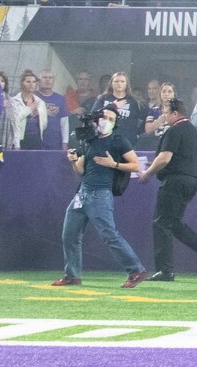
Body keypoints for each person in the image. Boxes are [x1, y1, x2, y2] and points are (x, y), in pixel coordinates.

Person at [55, 102, 148, 288]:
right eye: (104, 117)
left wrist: (113, 164)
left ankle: (136, 270)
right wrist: (73, 160)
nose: (106, 121)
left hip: (100, 193)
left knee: (109, 234)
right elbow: (80, 170)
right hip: (82, 192)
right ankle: (72, 275)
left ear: (115, 123)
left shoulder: (118, 140)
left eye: (111, 119)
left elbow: (137, 166)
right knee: (69, 235)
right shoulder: (89, 140)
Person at [141, 95, 197, 281]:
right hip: (190, 181)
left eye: (166, 113)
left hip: (174, 181)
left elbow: (165, 158)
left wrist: (148, 172)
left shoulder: (174, 130)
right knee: (174, 224)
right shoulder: (191, 130)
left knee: (161, 223)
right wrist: (155, 165)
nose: (164, 117)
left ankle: (165, 271)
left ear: (175, 113)